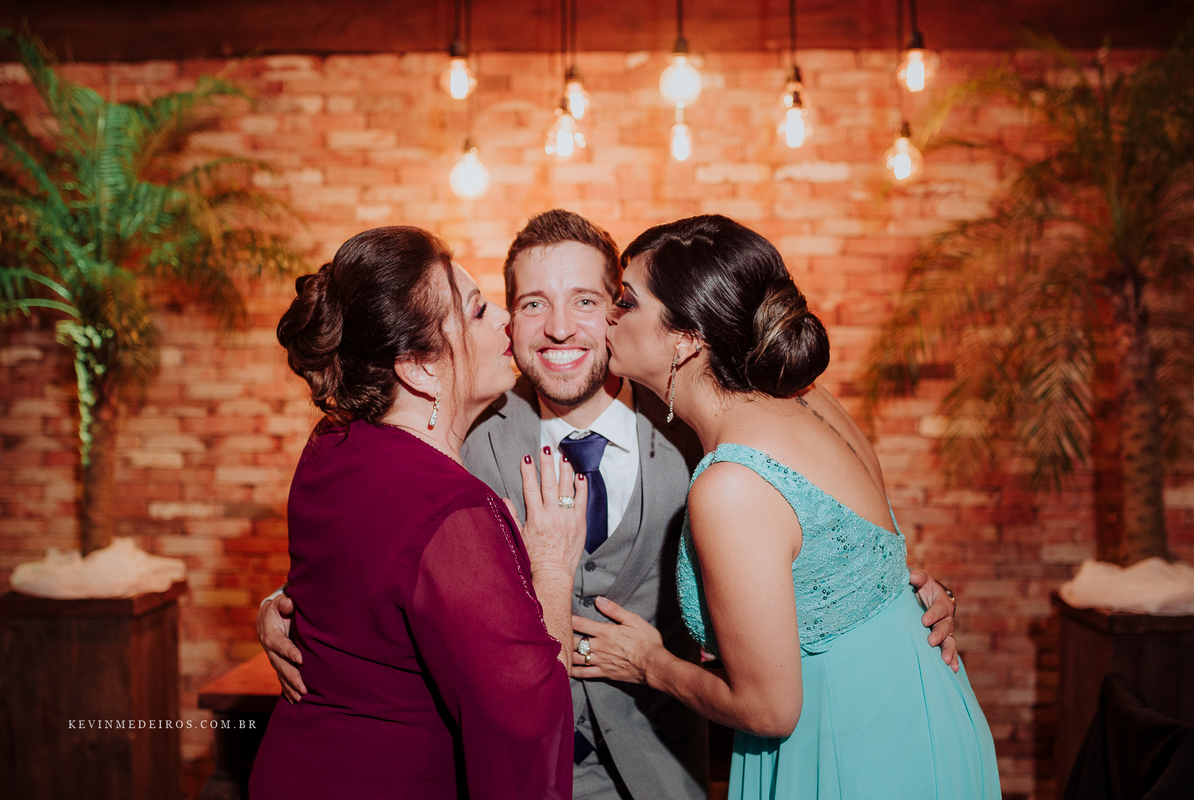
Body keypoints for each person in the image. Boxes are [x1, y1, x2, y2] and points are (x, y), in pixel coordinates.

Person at [257, 211, 963, 800]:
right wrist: (283, 608)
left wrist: (909, 592)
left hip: (667, 778)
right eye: (531, 302)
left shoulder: (708, 428)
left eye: (593, 302)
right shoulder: (458, 430)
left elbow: (831, 527)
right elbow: (376, 557)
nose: (558, 328)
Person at [573, 214, 1002, 799]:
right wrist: (932, 597)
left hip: (854, 750)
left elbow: (769, 709)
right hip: (929, 711)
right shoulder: (810, 400)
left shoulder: (730, 486)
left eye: (626, 301)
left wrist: (651, 663)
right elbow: (869, 563)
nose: (607, 317)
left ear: (685, 337)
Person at [248, 226, 588, 800]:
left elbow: (365, 582)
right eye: (479, 312)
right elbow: (527, 718)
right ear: (420, 367)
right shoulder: (453, 511)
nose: (507, 319)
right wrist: (551, 568)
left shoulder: (330, 445)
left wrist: (277, 607)